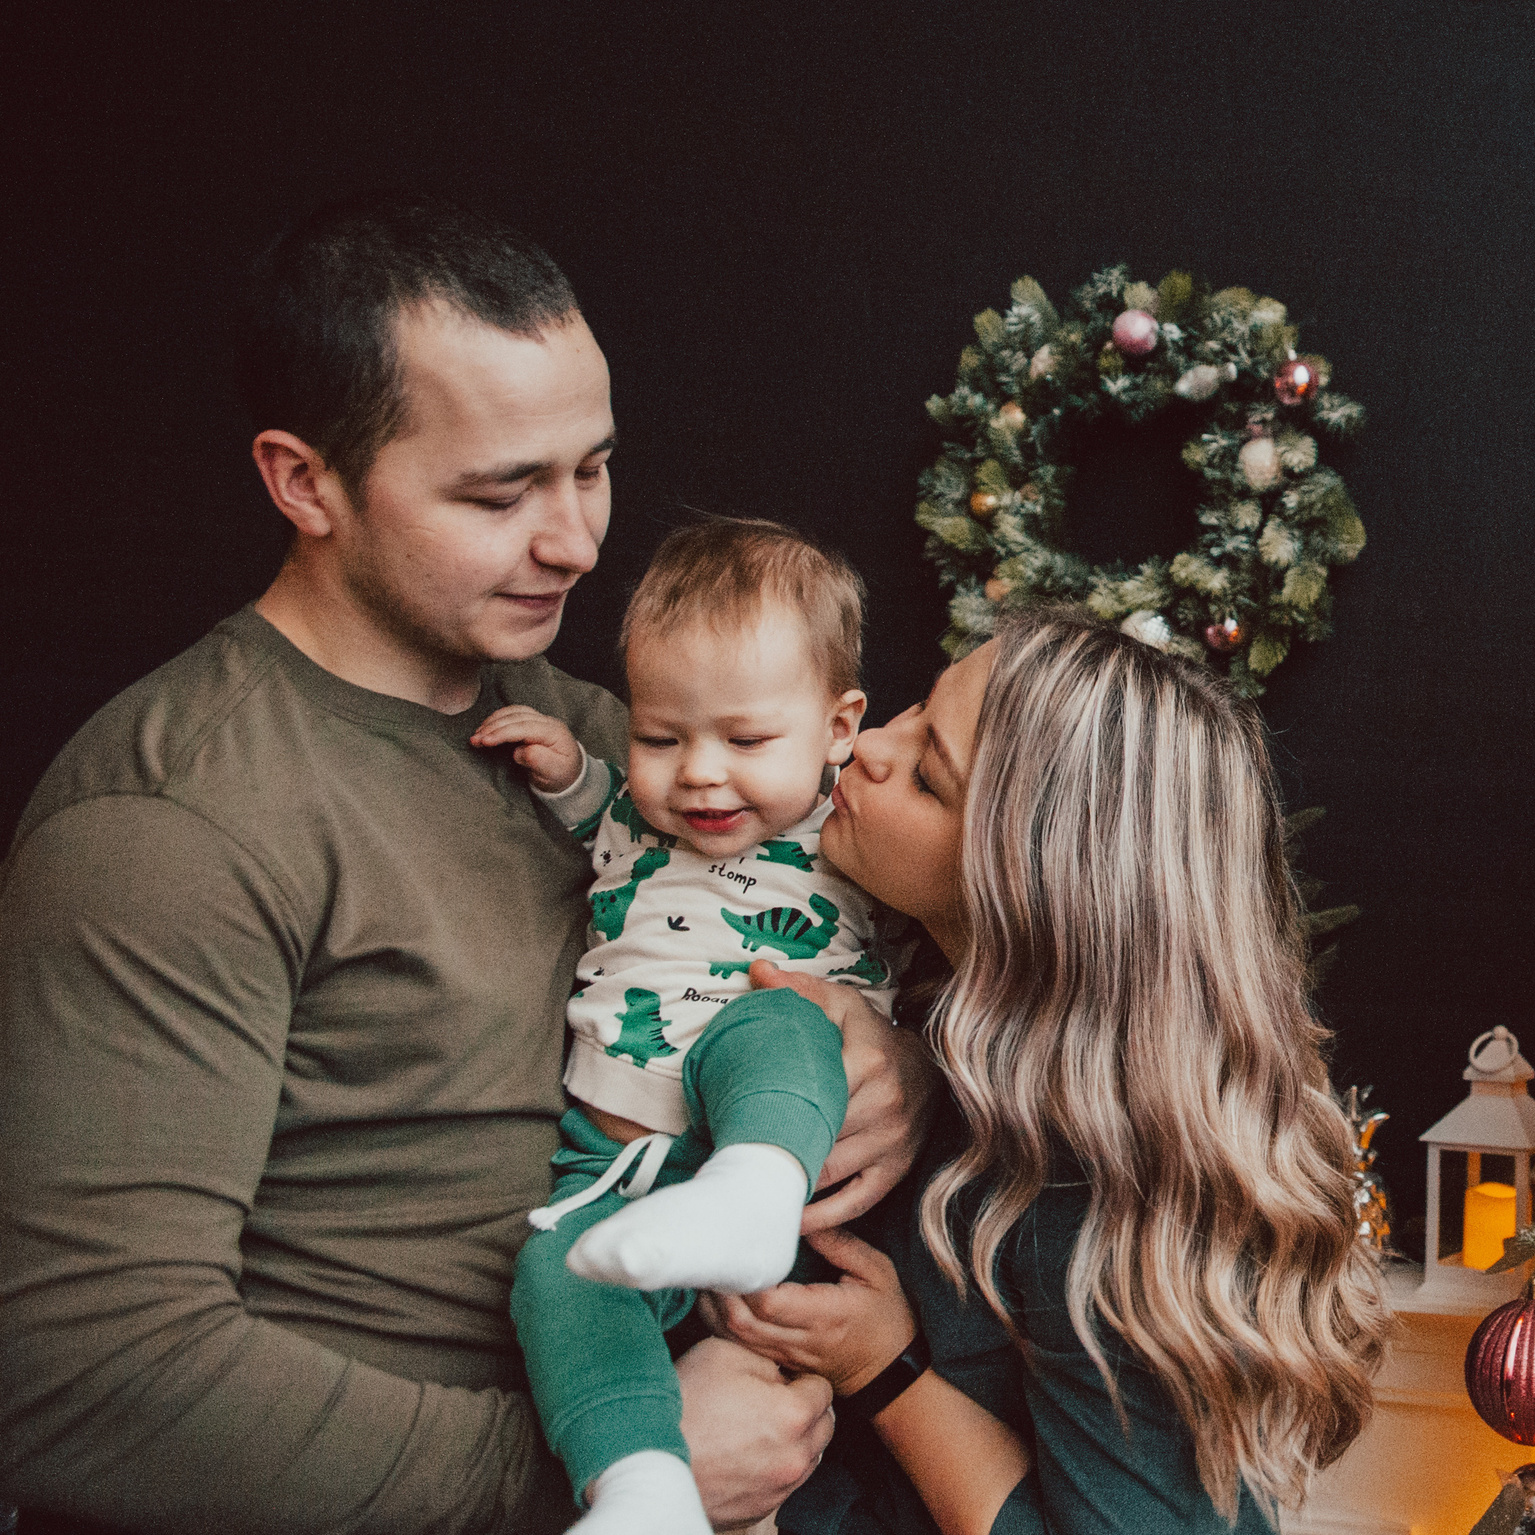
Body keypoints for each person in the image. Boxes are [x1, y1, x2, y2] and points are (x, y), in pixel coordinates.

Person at [0, 195, 929, 1534]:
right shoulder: (173, 821)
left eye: (592, 468)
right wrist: (609, 1471)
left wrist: (890, 1068)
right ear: (305, 482)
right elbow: (82, 1381)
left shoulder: (617, 740)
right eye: (501, 493)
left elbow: (835, 929)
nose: (576, 540)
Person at [709, 607, 1394, 1535]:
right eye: (916, 708)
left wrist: (884, 1367)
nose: (867, 744)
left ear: (1028, 889)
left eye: (928, 777)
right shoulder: (931, 1016)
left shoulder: (1111, 1187)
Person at [478, 517, 917, 1535]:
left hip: (770, 1139)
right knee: (557, 1273)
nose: (700, 774)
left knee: (777, 1014)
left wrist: (910, 1049)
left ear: (839, 726)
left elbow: (949, 944)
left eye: (746, 740)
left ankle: (749, 1188)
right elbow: (602, 821)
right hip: (612, 1162)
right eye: (661, 738)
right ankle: (643, 1488)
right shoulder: (645, 815)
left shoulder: (848, 832)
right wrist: (569, 773)